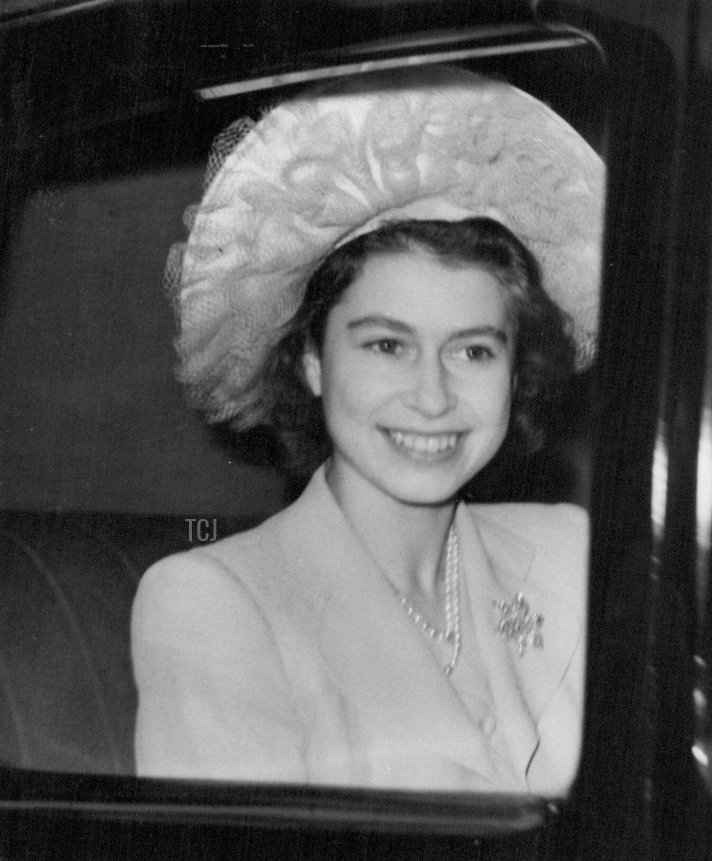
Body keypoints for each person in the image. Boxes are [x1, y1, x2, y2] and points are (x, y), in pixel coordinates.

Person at [130, 67, 603, 795]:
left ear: (517, 371)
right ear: (313, 361)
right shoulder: (212, 602)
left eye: (474, 350)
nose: (433, 394)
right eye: (387, 345)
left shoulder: (569, 551)